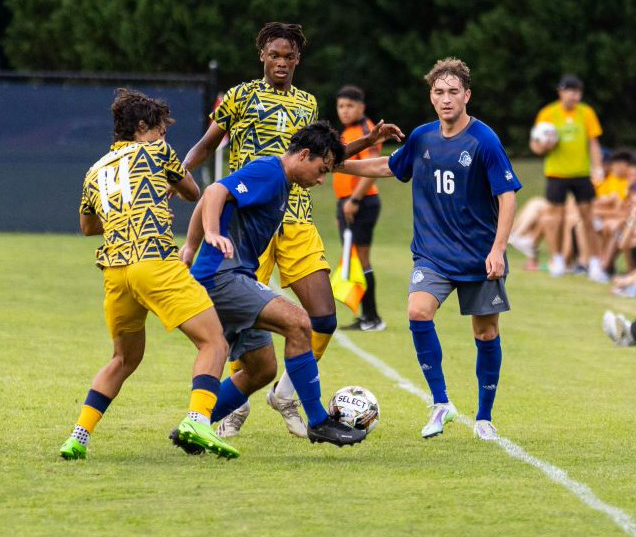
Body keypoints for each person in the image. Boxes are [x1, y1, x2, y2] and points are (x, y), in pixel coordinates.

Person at [180, 23, 400, 437]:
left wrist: (368, 140)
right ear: (262, 54)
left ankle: (285, 393)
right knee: (240, 321)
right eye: (275, 54)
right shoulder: (240, 96)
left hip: (295, 217)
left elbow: (321, 156)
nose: (281, 62)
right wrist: (179, 172)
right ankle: (232, 407)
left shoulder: (306, 103)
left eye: (289, 56)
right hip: (247, 219)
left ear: (298, 60)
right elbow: (209, 143)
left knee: (323, 319)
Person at [336, 58, 522, 441]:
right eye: (439, 92)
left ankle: (484, 418)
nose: (446, 98)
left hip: (479, 255)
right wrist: (338, 164)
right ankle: (441, 403)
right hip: (433, 254)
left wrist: (499, 250)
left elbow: (507, 196)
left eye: (454, 92)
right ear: (431, 97)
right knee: (417, 310)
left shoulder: (484, 139)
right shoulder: (421, 137)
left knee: (486, 334)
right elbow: (390, 166)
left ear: (467, 95)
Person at [60, 89, 239, 460]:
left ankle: (78, 436)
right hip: (153, 260)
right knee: (214, 343)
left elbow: (88, 225)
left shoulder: (94, 170)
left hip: (116, 272)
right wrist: (164, 190)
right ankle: (197, 420)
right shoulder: (157, 152)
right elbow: (193, 193)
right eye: (160, 130)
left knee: (123, 359)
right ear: (143, 127)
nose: (163, 137)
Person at [182, 122, 368, 447]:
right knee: (300, 324)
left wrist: (190, 246)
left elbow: (216, 196)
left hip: (232, 277)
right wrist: (209, 235)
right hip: (224, 276)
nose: (321, 179)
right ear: (305, 155)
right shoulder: (270, 172)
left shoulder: (280, 178)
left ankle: (195, 425)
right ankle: (319, 422)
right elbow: (214, 192)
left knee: (261, 368)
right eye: (321, 170)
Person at [532, 74, 606, 281]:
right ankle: (557, 259)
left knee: (588, 218)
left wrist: (598, 166)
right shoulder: (548, 113)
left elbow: (593, 142)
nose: (574, 95)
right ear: (561, 92)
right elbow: (536, 144)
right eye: (570, 91)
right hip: (556, 173)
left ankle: (594, 263)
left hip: (581, 173)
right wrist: (543, 146)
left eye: (577, 92)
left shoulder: (586, 113)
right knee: (555, 218)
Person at [333, 85, 385, 331]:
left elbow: (371, 170)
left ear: (361, 107)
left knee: (362, 259)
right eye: (341, 106)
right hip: (347, 202)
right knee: (353, 258)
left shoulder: (366, 130)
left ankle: (372, 317)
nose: (345, 110)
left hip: (361, 202)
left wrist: (353, 201)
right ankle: (365, 315)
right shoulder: (349, 131)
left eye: (350, 105)